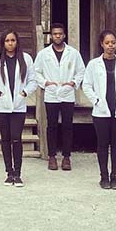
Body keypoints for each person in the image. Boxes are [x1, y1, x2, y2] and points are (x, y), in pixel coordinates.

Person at [82, 30, 116, 190]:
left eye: (113, 43)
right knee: (103, 144)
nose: (110, 46)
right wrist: (96, 100)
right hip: (101, 111)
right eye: (107, 43)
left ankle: (115, 176)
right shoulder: (93, 64)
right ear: (102, 44)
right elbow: (86, 85)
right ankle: (104, 176)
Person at [0, 30, 38, 187]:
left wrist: (24, 92)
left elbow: (33, 81)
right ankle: (9, 172)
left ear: (17, 41)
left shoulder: (26, 59)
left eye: (13, 40)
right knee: (5, 139)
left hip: (19, 105)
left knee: (16, 138)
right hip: (1, 105)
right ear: (3, 43)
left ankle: (18, 173)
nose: (10, 43)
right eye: (7, 40)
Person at [34, 23, 85, 171]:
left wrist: (73, 82)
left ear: (64, 35)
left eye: (60, 34)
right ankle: (52, 157)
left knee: (68, 126)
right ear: (51, 35)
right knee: (52, 126)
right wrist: (45, 82)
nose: (57, 36)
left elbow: (81, 70)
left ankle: (67, 157)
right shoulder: (44, 54)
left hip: (67, 93)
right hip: (51, 93)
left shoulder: (73, 53)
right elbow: (36, 71)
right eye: (55, 34)